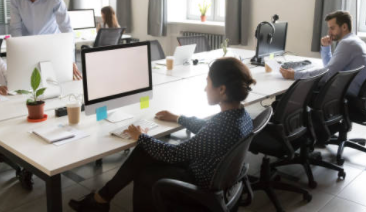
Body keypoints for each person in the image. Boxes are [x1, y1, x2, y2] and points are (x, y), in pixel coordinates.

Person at [69, 57, 255, 212]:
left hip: (199, 183)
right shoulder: (240, 115)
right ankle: (101, 198)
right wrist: (179, 118)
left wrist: (140, 136)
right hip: (210, 171)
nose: (205, 88)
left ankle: (100, 201)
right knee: (145, 151)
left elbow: (174, 154)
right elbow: (207, 127)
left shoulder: (221, 127)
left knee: (145, 172)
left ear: (222, 89)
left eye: (208, 82)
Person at [9, 0, 82, 80]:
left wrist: (70, 59)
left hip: (51, 43)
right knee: (30, 81)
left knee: (57, 79)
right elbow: (15, 27)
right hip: (29, 44)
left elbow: (66, 28)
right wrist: (20, 52)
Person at [280, 10, 366, 96]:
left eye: (332, 28)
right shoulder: (354, 40)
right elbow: (330, 68)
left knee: (295, 92)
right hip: (357, 94)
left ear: (344, 27)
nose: (329, 32)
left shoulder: (347, 43)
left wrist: (295, 75)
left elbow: (327, 74)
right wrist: (326, 47)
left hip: (348, 96)